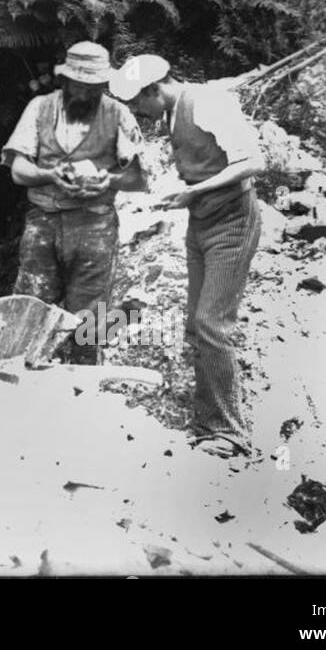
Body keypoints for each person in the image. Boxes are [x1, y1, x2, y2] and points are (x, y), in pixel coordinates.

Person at [109, 55, 264, 459]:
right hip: (201, 223)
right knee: (196, 324)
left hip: (233, 222)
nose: (137, 112)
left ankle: (229, 433)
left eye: (138, 103)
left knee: (212, 322)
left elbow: (253, 161)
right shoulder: (172, 112)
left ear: (154, 89)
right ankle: (206, 422)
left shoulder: (208, 102)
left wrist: (195, 191)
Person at [0, 42, 146, 364]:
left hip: (94, 225)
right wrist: (49, 175)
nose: (84, 92)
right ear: (64, 80)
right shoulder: (40, 108)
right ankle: (22, 374)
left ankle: (83, 379)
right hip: (43, 222)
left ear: (103, 84)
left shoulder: (118, 114)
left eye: (92, 87)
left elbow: (138, 178)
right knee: (30, 306)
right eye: (78, 84)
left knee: (90, 316)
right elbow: (18, 171)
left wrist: (109, 180)